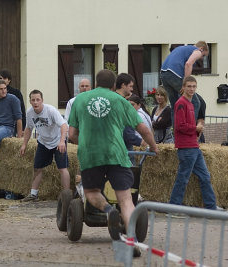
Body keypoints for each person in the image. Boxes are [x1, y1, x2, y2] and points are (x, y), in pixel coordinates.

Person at [68, 70, 157, 250]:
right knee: (125, 199)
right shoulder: (121, 101)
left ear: (95, 83)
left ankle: (109, 211)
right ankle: (132, 241)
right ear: (114, 86)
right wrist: (154, 147)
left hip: (91, 154)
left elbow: (71, 134)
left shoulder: (80, 100)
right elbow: (143, 129)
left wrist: (86, 142)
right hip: (116, 153)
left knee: (92, 192)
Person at [169, 76, 216, 210]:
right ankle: (173, 208)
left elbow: (186, 126)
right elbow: (179, 126)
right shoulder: (181, 103)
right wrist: (196, 128)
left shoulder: (190, 103)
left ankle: (211, 207)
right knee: (183, 179)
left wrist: (197, 129)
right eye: (189, 86)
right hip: (186, 147)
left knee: (205, 177)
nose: (191, 89)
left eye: (194, 86)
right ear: (183, 87)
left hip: (193, 146)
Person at [20, 89, 70, 202]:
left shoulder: (51, 110)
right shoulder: (29, 113)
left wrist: (62, 142)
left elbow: (63, 126)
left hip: (58, 140)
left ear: (42, 100)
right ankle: (33, 194)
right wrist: (24, 144)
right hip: (43, 142)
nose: (35, 102)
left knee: (62, 168)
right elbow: (28, 128)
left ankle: (66, 195)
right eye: (33, 100)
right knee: (37, 168)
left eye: (38, 100)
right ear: (30, 101)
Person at [160, 41, 209, 121]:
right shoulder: (197, 51)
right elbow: (188, 64)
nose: (201, 58)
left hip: (163, 74)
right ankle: (190, 128)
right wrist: (186, 82)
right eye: (203, 55)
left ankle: (176, 131)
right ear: (201, 48)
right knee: (196, 102)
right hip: (174, 74)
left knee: (175, 105)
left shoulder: (182, 48)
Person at [0, 69, 26, 134]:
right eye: (0, 78)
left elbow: (22, 110)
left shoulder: (16, 92)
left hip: (13, 124)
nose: (2, 80)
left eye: (4, 78)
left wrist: (23, 127)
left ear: (9, 80)